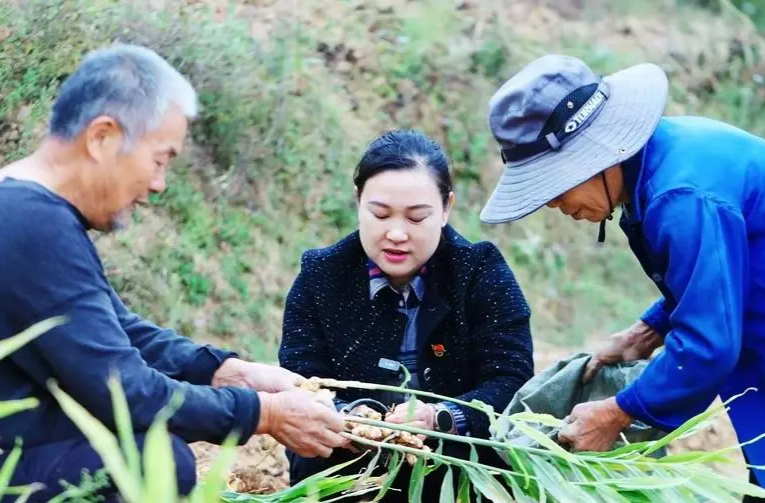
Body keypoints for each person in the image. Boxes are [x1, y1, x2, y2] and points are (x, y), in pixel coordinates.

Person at [0, 44, 347, 502]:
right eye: (160, 159)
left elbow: (117, 329)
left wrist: (226, 371)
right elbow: (125, 390)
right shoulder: (34, 223)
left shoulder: (23, 207)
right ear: (102, 137)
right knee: (154, 461)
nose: (159, 184)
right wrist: (265, 414)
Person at [480, 53, 765, 497]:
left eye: (554, 188)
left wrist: (618, 411)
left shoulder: (679, 197)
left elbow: (710, 344)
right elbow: (713, 280)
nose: (554, 205)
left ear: (592, 158)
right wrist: (645, 331)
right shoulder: (659, 163)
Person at [278, 129, 534, 501]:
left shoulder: (481, 272)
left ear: (445, 208)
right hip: (347, 478)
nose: (396, 233)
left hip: (457, 478)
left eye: (416, 218)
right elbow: (300, 381)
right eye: (380, 214)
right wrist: (350, 416)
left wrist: (439, 418)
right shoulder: (319, 276)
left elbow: (511, 382)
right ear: (357, 201)